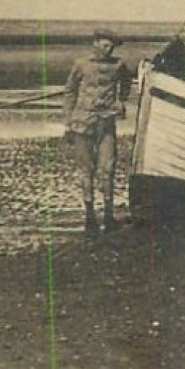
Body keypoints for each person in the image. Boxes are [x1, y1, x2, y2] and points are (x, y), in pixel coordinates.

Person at [62, 28, 133, 233]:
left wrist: (120, 101)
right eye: (105, 45)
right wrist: (68, 121)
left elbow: (126, 83)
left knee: (107, 169)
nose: (108, 49)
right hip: (82, 123)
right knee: (87, 170)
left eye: (111, 46)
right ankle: (90, 217)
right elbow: (70, 91)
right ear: (95, 43)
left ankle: (109, 216)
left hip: (106, 122)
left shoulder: (119, 65)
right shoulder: (81, 64)